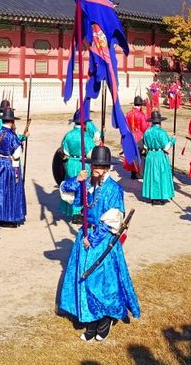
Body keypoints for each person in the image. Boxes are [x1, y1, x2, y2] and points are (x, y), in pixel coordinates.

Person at [58, 145, 140, 341]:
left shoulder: (114, 189)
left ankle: (104, 320)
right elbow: (66, 190)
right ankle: (90, 321)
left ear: (108, 168)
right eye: (95, 165)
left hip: (102, 240)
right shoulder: (87, 183)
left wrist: (92, 240)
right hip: (84, 237)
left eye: (102, 166)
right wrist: (77, 179)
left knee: (101, 282)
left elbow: (112, 218)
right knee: (83, 279)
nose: (98, 169)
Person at [0, 107, 26, 227]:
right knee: (8, 191)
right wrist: (20, 145)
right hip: (8, 164)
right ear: (12, 121)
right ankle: (7, 218)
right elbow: (16, 154)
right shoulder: (12, 135)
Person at [60, 110, 96, 223]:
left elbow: (64, 151)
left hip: (70, 162)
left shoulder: (68, 135)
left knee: (72, 185)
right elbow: (91, 153)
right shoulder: (86, 137)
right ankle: (79, 212)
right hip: (82, 163)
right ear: (84, 124)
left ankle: (73, 212)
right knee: (83, 187)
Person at [142, 111, 176, 205]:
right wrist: (172, 140)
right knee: (160, 175)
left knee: (151, 175)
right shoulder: (162, 132)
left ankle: (153, 197)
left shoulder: (147, 132)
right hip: (159, 155)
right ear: (160, 121)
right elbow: (166, 147)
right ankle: (159, 197)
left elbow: (144, 146)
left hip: (150, 155)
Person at [123, 96, 148, 180]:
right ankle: (139, 173)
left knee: (132, 155)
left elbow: (125, 126)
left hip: (130, 135)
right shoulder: (141, 115)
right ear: (140, 105)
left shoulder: (128, 113)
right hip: (138, 136)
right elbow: (144, 127)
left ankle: (133, 173)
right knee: (139, 155)